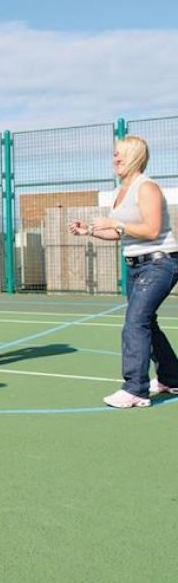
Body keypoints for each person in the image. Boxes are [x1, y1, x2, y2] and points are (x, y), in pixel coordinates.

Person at [69, 135, 178, 408]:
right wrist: (90, 231)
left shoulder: (147, 187)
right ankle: (171, 377)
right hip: (135, 266)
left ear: (134, 156)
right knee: (146, 322)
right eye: (114, 154)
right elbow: (121, 233)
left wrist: (115, 223)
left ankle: (135, 390)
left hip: (159, 263)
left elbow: (152, 230)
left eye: (120, 154)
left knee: (135, 323)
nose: (115, 158)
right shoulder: (122, 191)